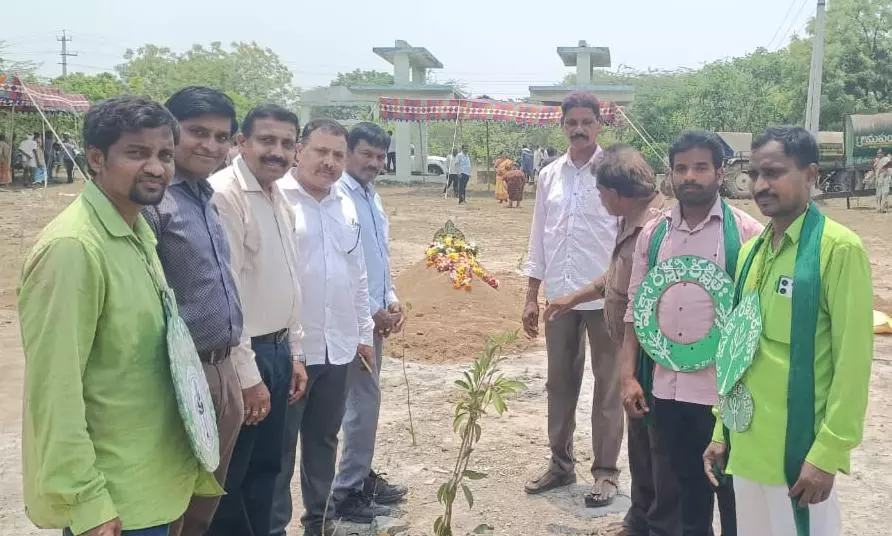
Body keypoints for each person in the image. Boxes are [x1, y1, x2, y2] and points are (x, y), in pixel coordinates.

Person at [19, 96, 220, 536]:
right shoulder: (74, 248)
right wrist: (87, 501)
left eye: (165, 154)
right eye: (137, 153)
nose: (156, 168)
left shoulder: (137, 230)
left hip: (152, 483)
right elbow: (54, 390)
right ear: (96, 158)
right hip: (115, 501)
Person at [704, 127, 874, 536]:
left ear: (811, 174)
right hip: (747, 451)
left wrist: (827, 453)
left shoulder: (838, 249)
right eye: (755, 174)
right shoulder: (751, 253)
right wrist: (721, 429)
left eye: (774, 172)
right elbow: (737, 352)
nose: (761, 185)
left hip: (800, 460)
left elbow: (853, 363)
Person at [623, 131, 763, 536]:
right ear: (670, 173)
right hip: (666, 390)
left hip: (724, 393)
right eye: (681, 168)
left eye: (701, 167)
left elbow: (755, 319)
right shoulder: (654, 234)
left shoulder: (747, 233)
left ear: (720, 173)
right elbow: (637, 309)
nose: (690, 176)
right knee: (683, 496)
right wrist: (628, 375)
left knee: (733, 494)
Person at [543, 144, 673, 536]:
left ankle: (656, 523)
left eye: (601, 193)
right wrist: (572, 298)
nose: (599, 200)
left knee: (656, 443)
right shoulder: (631, 220)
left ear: (617, 194)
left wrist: (629, 367)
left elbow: (643, 304)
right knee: (640, 441)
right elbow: (614, 278)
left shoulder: (658, 229)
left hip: (650, 354)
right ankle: (640, 518)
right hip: (637, 350)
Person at [140, 87, 247, 536]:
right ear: (170, 133)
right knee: (172, 502)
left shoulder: (204, 196)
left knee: (204, 503)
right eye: (197, 132)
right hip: (182, 375)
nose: (210, 145)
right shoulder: (154, 203)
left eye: (221, 137)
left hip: (222, 369)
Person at [273, 119, 376, 536]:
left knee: (324, 439)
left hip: (339, 347)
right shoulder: (277, 198)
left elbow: (357, 274)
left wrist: (363, 336)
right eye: (320, 151)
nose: (329, 162)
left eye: (337, 154)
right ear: (299, 150)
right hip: (291, 351)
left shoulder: (344, 204)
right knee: (279, 449)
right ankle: (274, 526)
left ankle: (318, 520)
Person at [207, 104, 305, 536]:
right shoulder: (225, 196)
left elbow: (289, 279)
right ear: (241, 142)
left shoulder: (278, 197)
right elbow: (228, 294)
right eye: (266, 140)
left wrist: (295, 353)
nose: (277, 152)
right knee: (235, 477)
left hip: (277, 351)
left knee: (268, 468)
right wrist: (248, 377)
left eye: (286, 143)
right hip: (245, 357)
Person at [522, 92, 621, 508]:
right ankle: (561, 465)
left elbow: (628, 238)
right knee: (559, 384)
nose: (579, 130)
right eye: (571, 123)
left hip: (606, 300)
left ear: (599, 125)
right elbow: (538, 237)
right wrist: (532, 295)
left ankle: (606, 472)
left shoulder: (613, 172)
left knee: (608, 388)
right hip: (559, 300)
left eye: (586, 122)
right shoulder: (549, 176)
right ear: (562, 126)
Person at [332, 122, 409, 522]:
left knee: (365, 404)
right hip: (350, 322)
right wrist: (369, 312)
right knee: (360, 406)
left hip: (373, 317)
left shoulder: (370, 196)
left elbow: (378, 257)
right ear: (347, 152)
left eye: (380, 156)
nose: (374, 163)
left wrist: (390, 299)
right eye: (366, 154)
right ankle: (347, 492)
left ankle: (359, 476)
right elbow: (343, 267)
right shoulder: (338, 197)